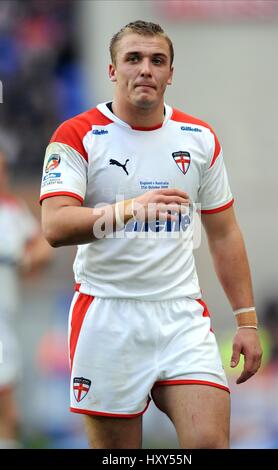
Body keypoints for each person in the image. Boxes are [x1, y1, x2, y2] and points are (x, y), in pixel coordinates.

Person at [40, 20, 262, 449]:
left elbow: (224, 233)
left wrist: (247, 321)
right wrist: (131, 210)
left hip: (181, 314)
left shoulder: (199, 139)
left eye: (157, 60)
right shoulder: (77, 136)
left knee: (209, 444)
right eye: (134, 59)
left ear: (170, 73)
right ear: (112, 71)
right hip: (108, 315)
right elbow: (54, 226)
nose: (145, 69)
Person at [0, 149, 52, 448]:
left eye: (4, 168)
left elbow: (45, 242)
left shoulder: (11, 210)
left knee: (8, 409)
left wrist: (26, 260)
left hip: (5, 324)